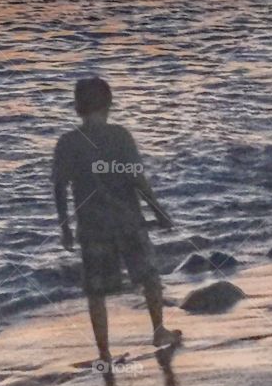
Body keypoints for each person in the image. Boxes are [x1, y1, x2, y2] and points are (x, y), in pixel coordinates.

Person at [53, 76, 181, 365]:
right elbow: (137, 180)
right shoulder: (119, 136)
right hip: (127, 221)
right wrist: (159, 212)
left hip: (92, 226)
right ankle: (159, 330)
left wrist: (65, 227)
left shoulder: (68, 142)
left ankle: (104, 352)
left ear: (77, 108)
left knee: (96, 290)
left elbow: (59, 188)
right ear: (109, 104)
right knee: (149, 276)